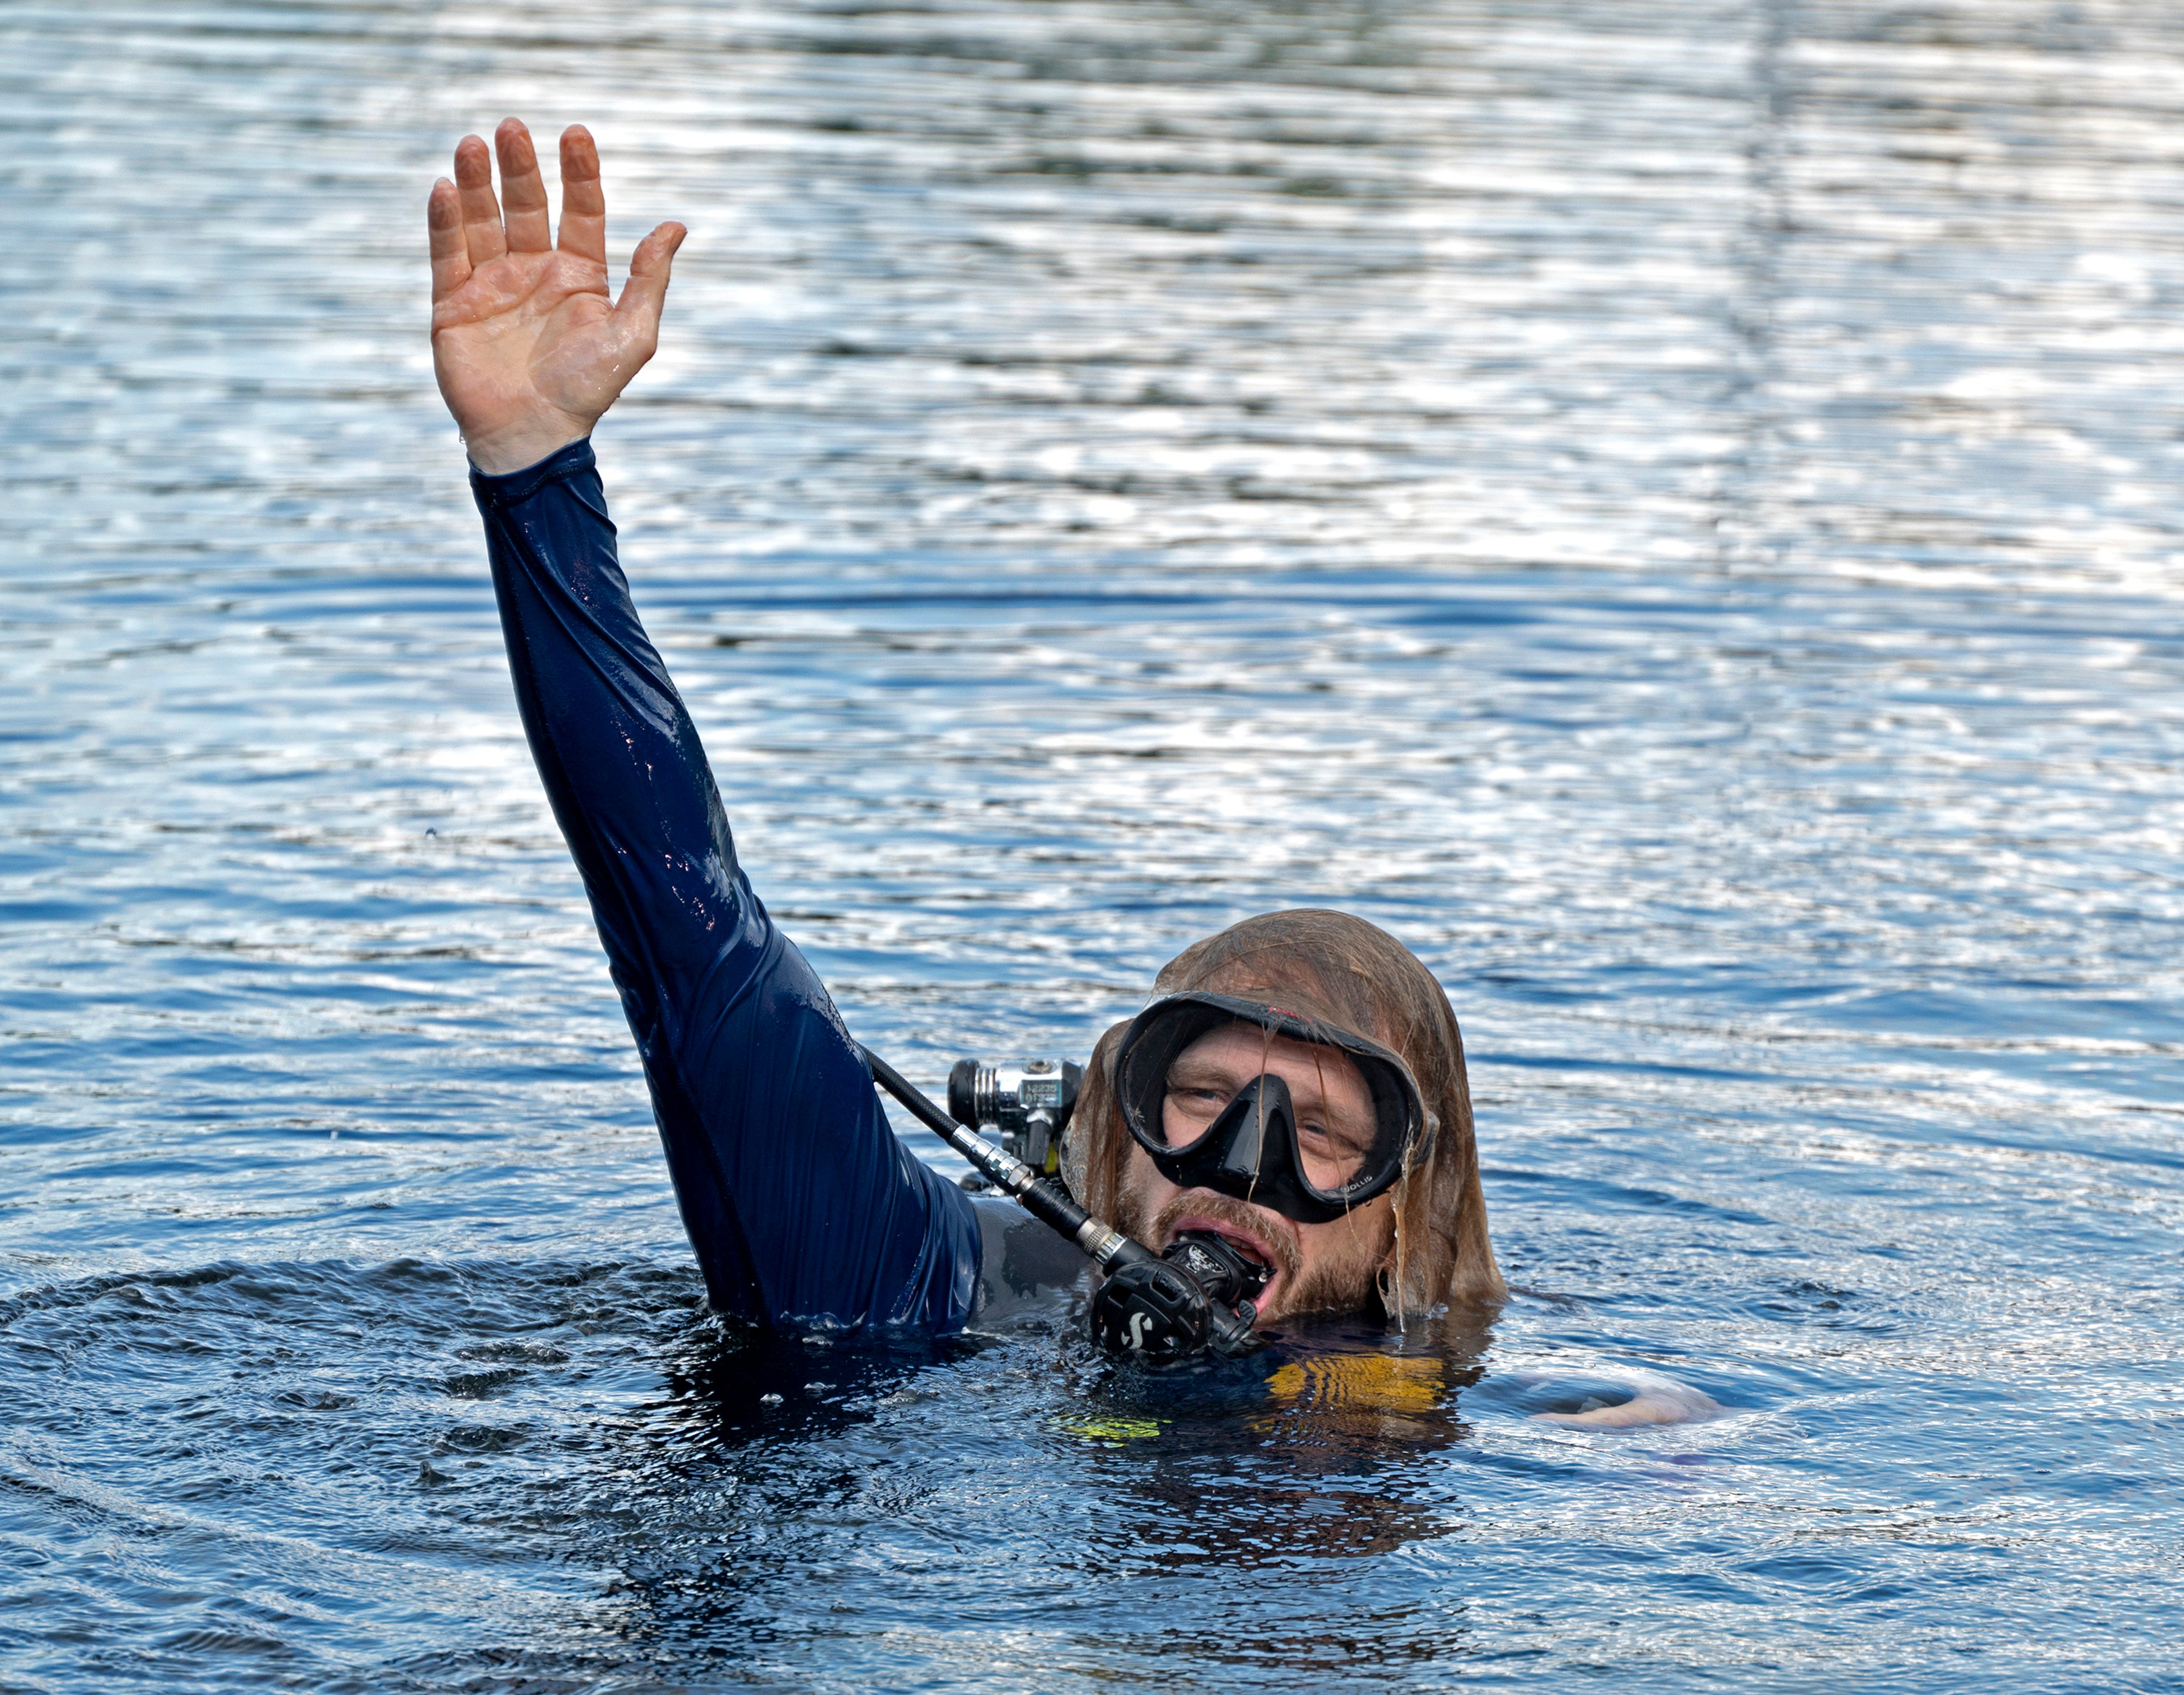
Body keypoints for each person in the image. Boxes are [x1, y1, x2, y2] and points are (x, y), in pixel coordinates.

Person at [428, 122, 1708, 1427]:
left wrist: (1664, 1429)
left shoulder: (1486, 1404)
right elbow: (693, 931)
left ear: (1406, 1215)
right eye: (1198, 1096)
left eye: (1322, 1134)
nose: (1239, 1170)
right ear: (1112, 1124)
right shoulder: (929, 1286)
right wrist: (539, 477)